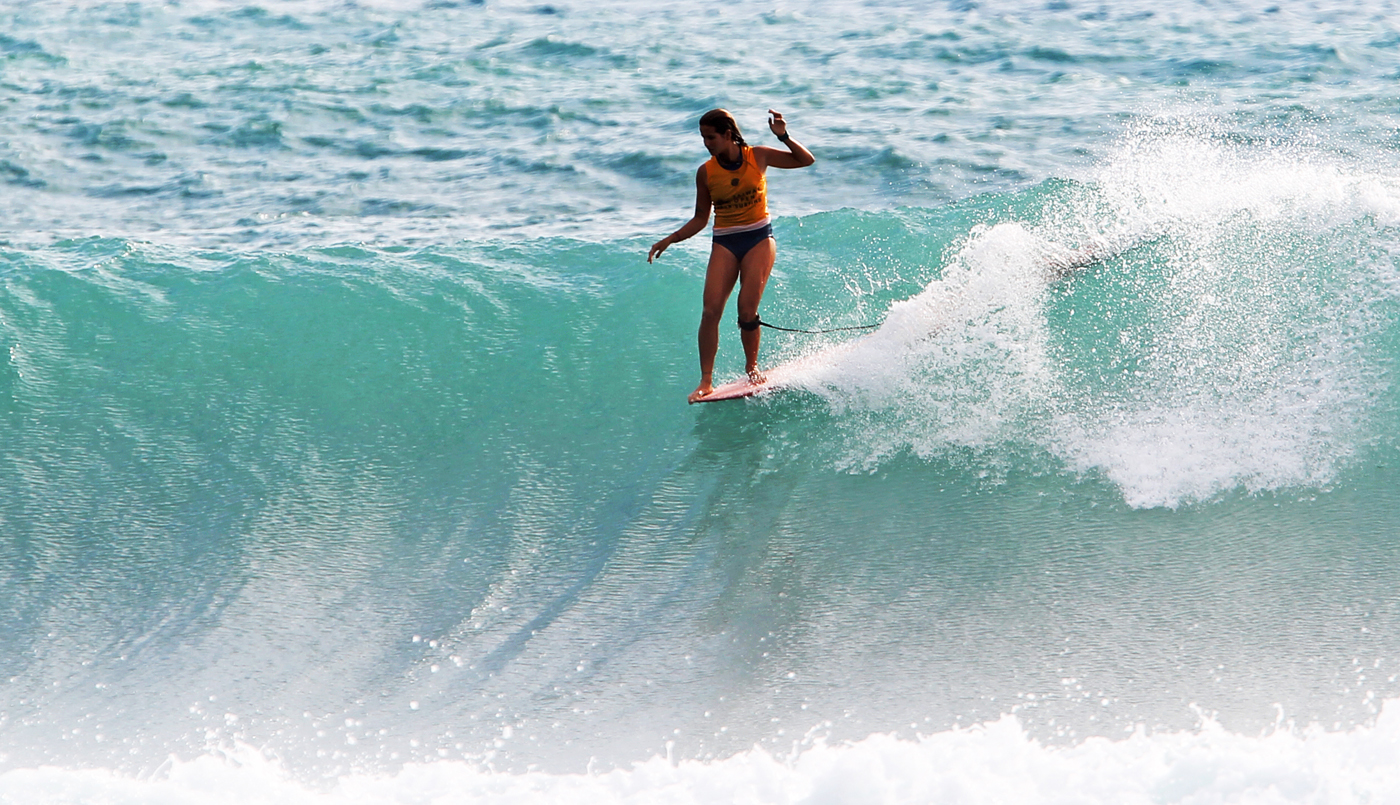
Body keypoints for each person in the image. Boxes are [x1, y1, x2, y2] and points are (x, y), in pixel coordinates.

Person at [648, 108, 815, 403]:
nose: (706, 143)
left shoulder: (758, 156)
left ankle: (752, 369)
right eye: (702, 138)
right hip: (725, 242)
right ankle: (706, 381)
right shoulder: (706, 173)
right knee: (710, 310)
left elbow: (805, 160)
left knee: (746, 310)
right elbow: (701, 218)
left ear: (727, 134)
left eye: (710, 137)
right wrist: (671, 239)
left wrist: (784, 136)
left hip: (759, 238)